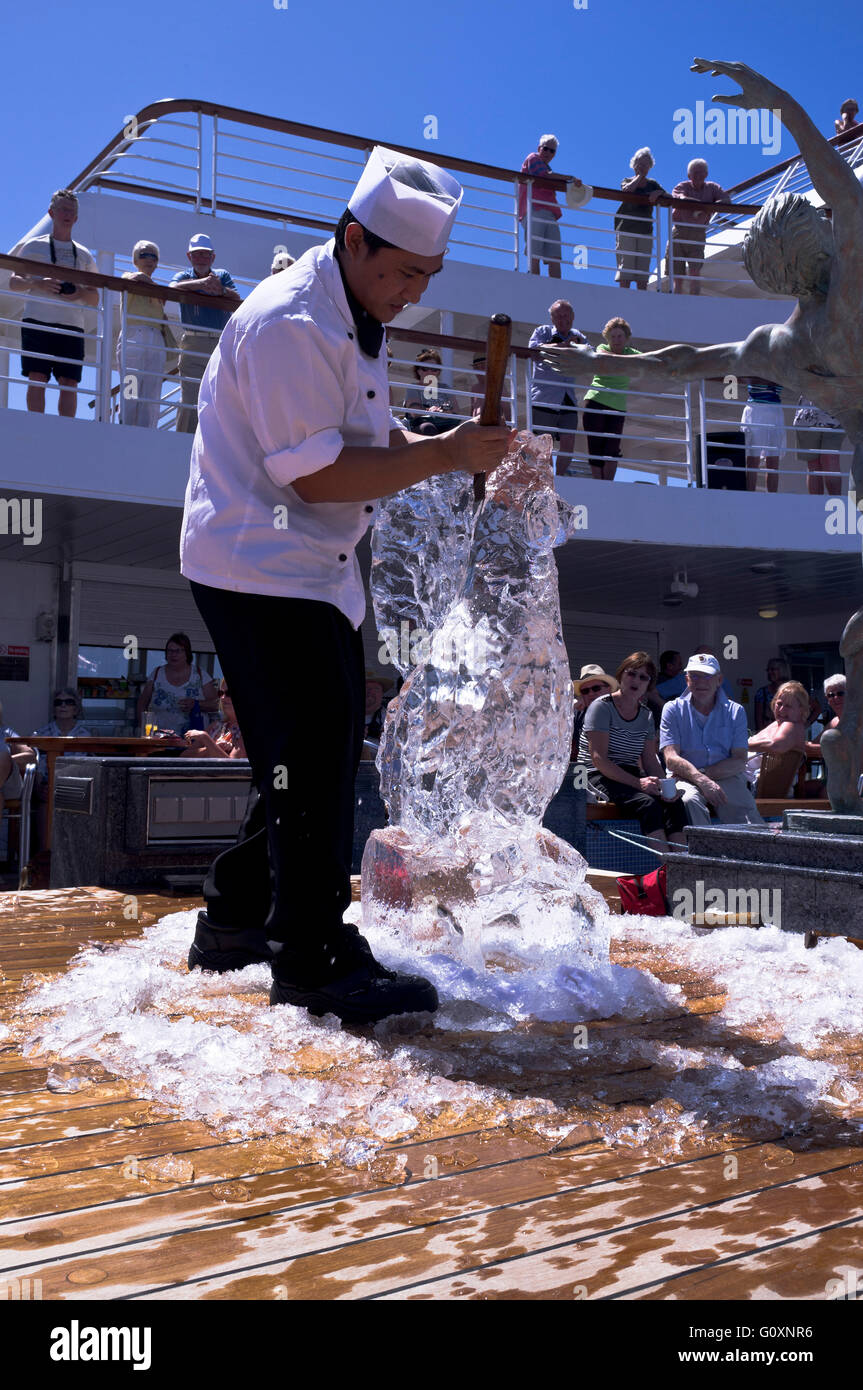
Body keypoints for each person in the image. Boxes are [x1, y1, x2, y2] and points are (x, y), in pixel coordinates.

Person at [180, 145, 514, 1024]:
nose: (415, 292)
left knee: (307, 753)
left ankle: (235, 919)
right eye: (406, 272)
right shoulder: (294, 322)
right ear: (355, 241)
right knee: (312, 757)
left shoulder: (350, 310)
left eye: (429, 276)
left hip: (307, 571)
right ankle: (311, 956)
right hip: (259, 565)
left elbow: (373, 447)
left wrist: (452, 449)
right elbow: (317, 478)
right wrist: (445, 455)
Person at [577, 651, 687, 851]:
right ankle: (667, 870)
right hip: (596, 775)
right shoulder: (601, 707)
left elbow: (650, 761)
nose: (636, 680)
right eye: (631, 674)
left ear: (648, 684)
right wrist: (639, 783)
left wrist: (666, 788)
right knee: (648, 805)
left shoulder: (646, 715)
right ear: (621, 677)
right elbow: (599, 759)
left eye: (643, 677)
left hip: (628, 775)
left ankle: (683, 867)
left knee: (674, 804)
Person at [8, 189, 99, 417]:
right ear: (51, 213)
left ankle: (65, 428)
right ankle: (36, 424)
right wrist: (38, 284)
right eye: (63, 209)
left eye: (71, 211)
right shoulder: (32, 247)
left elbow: (94, 297)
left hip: (72, 324)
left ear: (76, 218)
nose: (67, 214)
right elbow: (13, 282)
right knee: (37, 376)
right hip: (37, 320)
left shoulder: (85, 255)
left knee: (69, 381)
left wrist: (78, 291)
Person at [660, 653, 765, 827]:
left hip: (726, 776)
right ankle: (704, 851)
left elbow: (739, 761)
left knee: (748, 816)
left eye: (707, 675)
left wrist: (702, 776)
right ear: (687, 679)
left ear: (719, 680)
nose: (701, 681)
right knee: (688, 802)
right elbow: (671, 758)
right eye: (695, 675)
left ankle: (748, 853)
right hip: (685, 779)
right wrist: (701, 781)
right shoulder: (672, 709)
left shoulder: (735, 711)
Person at [170, 234, 241, 433]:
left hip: (219, 343)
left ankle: (211, 444)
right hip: (193, 341)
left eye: (205, 254)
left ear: (213, 258)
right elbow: (172, 288)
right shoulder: (185, 276)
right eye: (197, 254)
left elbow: (236, 297)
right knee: (191, 398)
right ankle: (183, 440)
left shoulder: (222, 275)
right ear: (189, 257)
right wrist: (200, 285)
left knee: (218, 398)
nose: (201, 258)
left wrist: (221, 291)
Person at [117, 241, 178, 428]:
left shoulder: (158, 290)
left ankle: (147, 430)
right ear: (135, 259)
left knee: (151, 389)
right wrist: (155, 288)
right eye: (145, 255)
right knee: (131, 385)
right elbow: (135, 279)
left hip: (155, 338)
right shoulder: (129, 276)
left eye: (154, 256)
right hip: (134, 335)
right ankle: (126, 427)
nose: (149, 259)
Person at [528, 300, 587, 476]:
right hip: (544, 397)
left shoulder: (578, 336)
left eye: (566, 315)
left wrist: (578, 347)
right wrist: (564, 347)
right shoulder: (542, 332)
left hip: (567, 398)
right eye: (558, 316)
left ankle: (559, 477)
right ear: (552, 318)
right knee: (543, 445)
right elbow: (534, 351)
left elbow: (589, 353)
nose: (563, 319)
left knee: (569, 442)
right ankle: (547, 477)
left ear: (573, 317)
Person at [582, 318, 640, 481]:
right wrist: (626, 362)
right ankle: (598, 484)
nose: (616, 340)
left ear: (626, 337)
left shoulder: (632, 353)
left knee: (612, 449)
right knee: (595, 447)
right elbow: (600, 355)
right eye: (613, 336)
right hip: (595, 402)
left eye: (619, 336)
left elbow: (647, 360)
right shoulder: (603, 348)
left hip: (618, 407)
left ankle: (607, 484)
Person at [137, 633, 219, 736]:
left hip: (192, 740)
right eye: (170, 651)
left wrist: (197, 704)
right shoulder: (157, 673)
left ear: (187, 653)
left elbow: (216, 704)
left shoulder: (199, 674)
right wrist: (143, 731)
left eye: (178, 651)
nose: (173, 654)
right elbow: (142, 703)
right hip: (160, 739)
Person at [669, 159, 730, 294]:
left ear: (706, 174)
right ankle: (675, 302)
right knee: (677, 274)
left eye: (701, 173)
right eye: (695, 173)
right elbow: (682, 199)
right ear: (689, 175)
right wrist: (705, 207)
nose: (698, 176)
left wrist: (706, 208)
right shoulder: (682, 186)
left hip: (698, 232)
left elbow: (726, 200)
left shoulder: (712, 187)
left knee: (695, 271)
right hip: (680, 231)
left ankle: (694, 301)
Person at [518, 135, 573, 278]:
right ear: (539, 148)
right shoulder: (533, 158)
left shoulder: (547, 168)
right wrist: (569, 177)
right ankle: (535, 283)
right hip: (535, 209)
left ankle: (556, 287)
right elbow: (544, 175)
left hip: (549, 212)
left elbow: (548, 175)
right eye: (546, 149)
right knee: (534, 252)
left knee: (554, 254)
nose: (548, 153)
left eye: (552, 151)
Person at [614, 148, 666, 291]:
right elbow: (626, 190)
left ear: (650, 167)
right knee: (627, 266)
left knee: (643, 268)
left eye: (645, 164)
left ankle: (641, 298)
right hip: (626, 228)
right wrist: (639, 177)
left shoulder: (653, 184)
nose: (642, 167)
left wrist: (659, 192)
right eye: (639, 164)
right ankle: (624, 296)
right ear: (634, 165)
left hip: (645, 230)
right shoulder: (627, 180)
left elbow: (669, 197)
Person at [746, 679, 809, 790]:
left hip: (754, 787)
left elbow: (776, 746)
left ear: (801, 710)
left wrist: (741, 745)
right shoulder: (778, 724)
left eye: (788, 706)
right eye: (779, 703)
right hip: (745, 780)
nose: (781, 709)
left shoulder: (791, 725)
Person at [402, 349, 461, 435]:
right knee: (428, 428)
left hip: (445, 423)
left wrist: (443, 411)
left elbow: (456, 410)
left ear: (438, 371)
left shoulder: (445, 387)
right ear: (418, 370)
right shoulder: (413, 387)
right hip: (421, 425)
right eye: (425, 368)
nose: (430, 372)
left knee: (456, 432)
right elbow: (414, 412)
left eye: (434, 369)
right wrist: (430, 411)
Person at [182, 680, 247, 758]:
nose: (223, 697)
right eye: (221, 693)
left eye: (228, 693)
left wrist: (205, 738)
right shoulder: (216, 726)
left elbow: (232, 766)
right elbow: (184, 756)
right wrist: (212, 747)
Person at [742, 378, 786, 492]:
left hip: (775, 410)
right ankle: (750, 495)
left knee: (773, 459)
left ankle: (772, 498)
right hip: (756, 409)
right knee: (753, 459)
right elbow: (753, 379)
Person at [793, 396, 843, 496]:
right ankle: (816, 506)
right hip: (807, 416)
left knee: (830, 460)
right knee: (813, 464)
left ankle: (837, 505)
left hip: (835, 415)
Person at [571, 663, 618, 760]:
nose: (591, 693)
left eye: (596, 688)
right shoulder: (577, 714)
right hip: (582, 771)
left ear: (609, 689)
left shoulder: (622, 712)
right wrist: (572, 706)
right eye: (585, 691)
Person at [753, 657, 791, 731]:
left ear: (782, 670)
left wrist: (806, 724)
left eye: (773, 669)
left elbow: (816, 708)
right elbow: (758, 720)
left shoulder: (793, 691)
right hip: (768, 734)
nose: (769, 672)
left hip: (787, 734)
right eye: (768, 670)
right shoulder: (762, 693)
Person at [364, 673, 393, 741]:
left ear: (382, 694)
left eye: (375, 689)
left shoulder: (388, 717)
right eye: (366, 688)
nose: (370, 692)